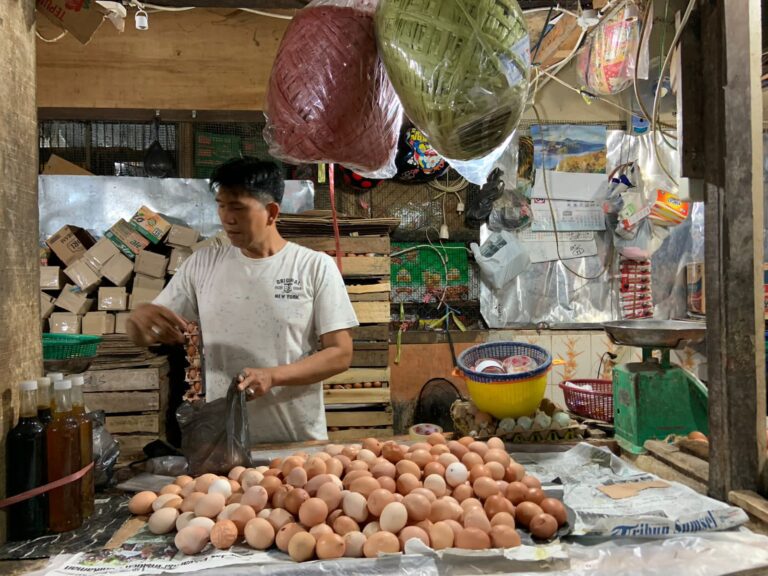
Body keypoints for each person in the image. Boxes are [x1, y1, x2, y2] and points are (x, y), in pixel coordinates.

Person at [127, 157, 358, 443]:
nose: (226, 217)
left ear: (271, 212)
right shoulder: (202, 265)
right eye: (221, 205)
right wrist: (139, 321)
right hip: (225, 442)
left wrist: (273, 376)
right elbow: (147, 330)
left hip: (296, 441)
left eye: (237, 208)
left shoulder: (313, 267)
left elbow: (340, 353)